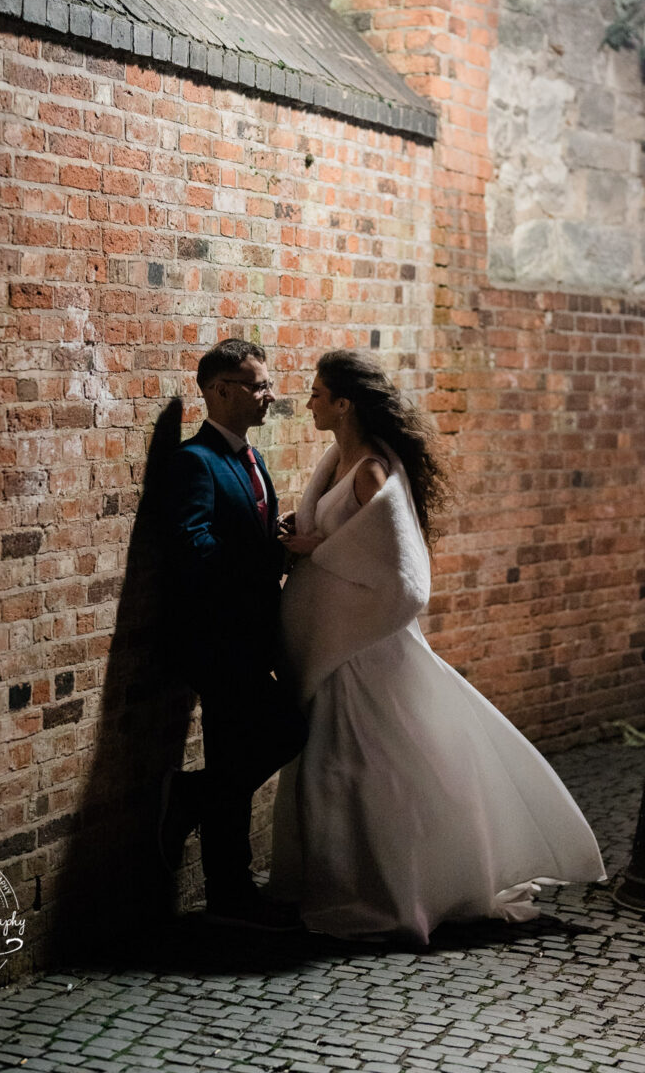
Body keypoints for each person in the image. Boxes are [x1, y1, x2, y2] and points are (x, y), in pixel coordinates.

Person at [269, 349, 605, 945]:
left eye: (318, 392)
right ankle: (347, 881)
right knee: (338, 765)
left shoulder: (370, 472)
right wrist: (308, 535)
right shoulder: (336, 459)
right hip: (337, 645)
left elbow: (401, 575)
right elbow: (346, 539)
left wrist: (316, 549)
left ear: (344, 404)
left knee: (364, 768)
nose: (309, 401)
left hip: (364, 649)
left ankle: (393, 894)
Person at [157, 339, 307, 930]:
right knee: (287, 727)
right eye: (258, 385)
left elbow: (244, 531)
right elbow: (193, 547)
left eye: (267, 384)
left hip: (249, 636)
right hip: (215, 640)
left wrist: (278, 533)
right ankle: (192, 800)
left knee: (233, 755)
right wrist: (270, 553)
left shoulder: (251, 457)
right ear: (221, 390)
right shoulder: (195, 461)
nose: (269, 395)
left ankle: (230, 890)